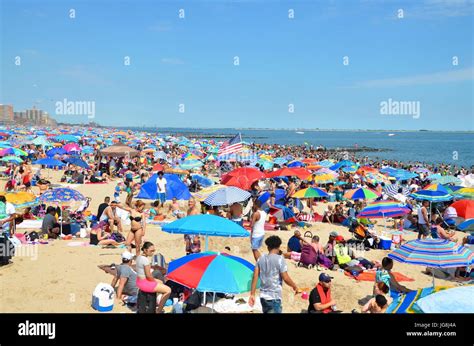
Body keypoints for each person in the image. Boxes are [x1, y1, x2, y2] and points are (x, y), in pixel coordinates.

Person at [249, 236, 300, 313]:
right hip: (274, 297)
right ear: (279, 247)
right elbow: (285, 277)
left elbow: (255, 276)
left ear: (268, 247)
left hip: (263, 296)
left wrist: (252, 294)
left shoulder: (261, 259)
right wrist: (294, 286)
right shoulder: (280, 259)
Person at [135, 242, 171, 313]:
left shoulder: (139, 257)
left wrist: (156, 280)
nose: (152, 253)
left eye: (153, 251)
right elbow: (148, 276)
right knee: (168, 290)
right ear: (145, 250)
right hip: (145, 284)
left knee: (160, 282)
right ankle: (159, 310)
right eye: (151, 251)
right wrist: (156, 281)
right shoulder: (145, 260)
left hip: (139, 281)